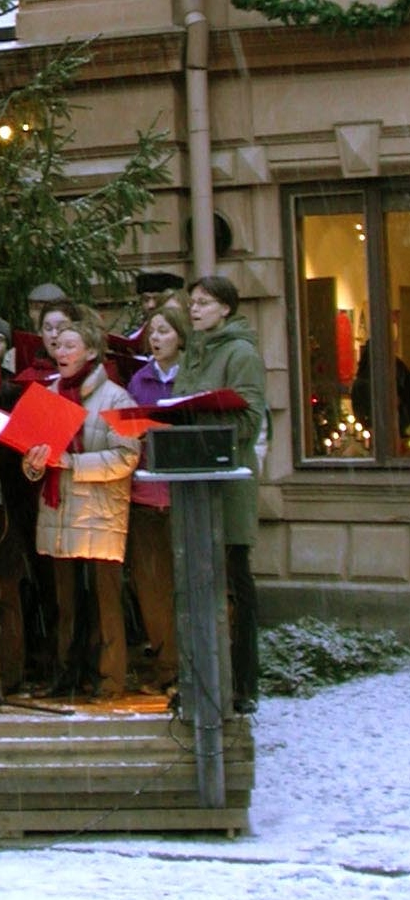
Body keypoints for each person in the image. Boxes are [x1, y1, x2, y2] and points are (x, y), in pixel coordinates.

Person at [22, 309, 140, 699]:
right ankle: (66, 675)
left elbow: (126, 457)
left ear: (90, 352)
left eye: (70, 345)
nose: (61, 351)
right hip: (58, 511)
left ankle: (107, 679)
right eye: (57, 345)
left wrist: (72, 463)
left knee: (104, 601)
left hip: (99, 512)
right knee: (65, 602)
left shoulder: (115, 397)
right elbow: (34, 459)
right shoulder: (48, 396)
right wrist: (34, 464)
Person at [173, 275, 267, 714]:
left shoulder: (241, 353)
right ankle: (201, 677)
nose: (195, 310)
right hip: (193, 484)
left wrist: (202, 413)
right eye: (192, 303)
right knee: (197, 585)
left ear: (226, 308)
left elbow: (248, 420)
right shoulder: (194, 351)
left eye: (204, 303)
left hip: (227, 485)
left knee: (233, 583)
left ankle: (241, 682)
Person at [125, 304, 189, 690]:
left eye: (164, 331)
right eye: (152, 332)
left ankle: (196, 669)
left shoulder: (193, 375)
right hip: (146, 495)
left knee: (189, 585)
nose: (156, 338)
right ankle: (167, 669)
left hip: (184, 496)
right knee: (152, 589)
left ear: (181, 336)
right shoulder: (140, 380)